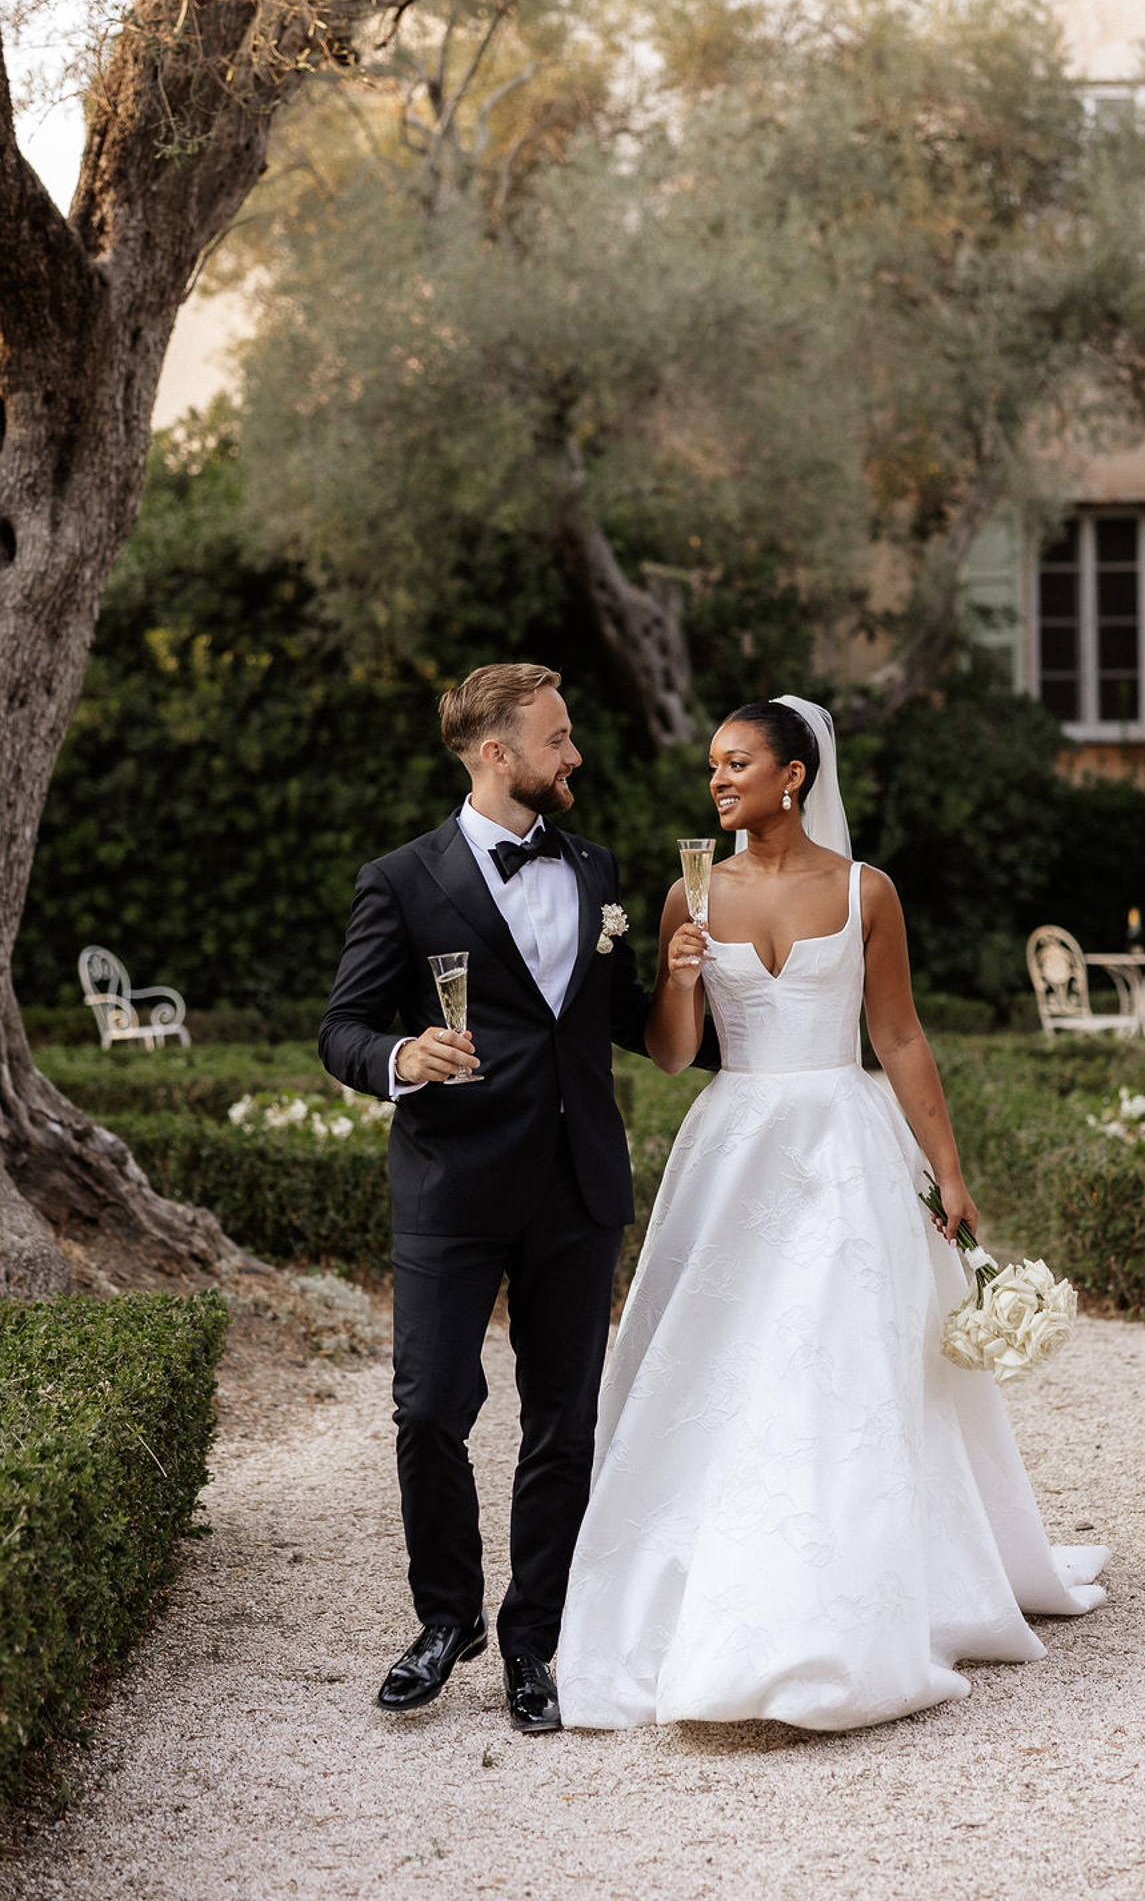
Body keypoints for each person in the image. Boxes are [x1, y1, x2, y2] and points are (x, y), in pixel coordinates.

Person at [557, 695, 1107, 1731]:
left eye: (737, 763)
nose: (717, 780)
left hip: (844, 1146)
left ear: (794, 774)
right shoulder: (691, 895)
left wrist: (948, 1170)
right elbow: (676, 1053)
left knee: (841, 1357)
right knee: (726, 1357)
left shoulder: (867, 891)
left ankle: (858, 1585)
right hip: (734, 1149)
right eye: (712, 766)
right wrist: (678, 978)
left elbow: (897, 1036)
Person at [318, 663, 711, 1734]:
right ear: (498, 753)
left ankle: (536, 1636)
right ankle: (445, 1618)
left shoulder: (595, 867)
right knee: (429, 1408)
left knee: (564, 1422)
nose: (574, 753)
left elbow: (625, 1017)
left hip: (578, 1184)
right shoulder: (400, 878)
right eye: (559, 736)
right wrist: (405, 1050)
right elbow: (341, 1028)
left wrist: (677, 974)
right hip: (452, 1184)